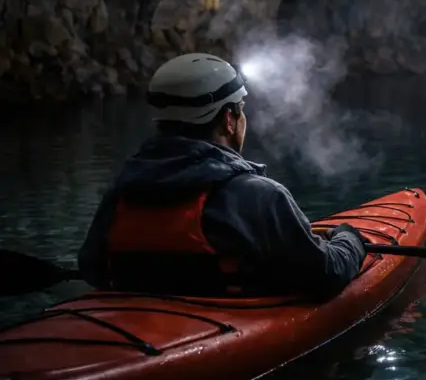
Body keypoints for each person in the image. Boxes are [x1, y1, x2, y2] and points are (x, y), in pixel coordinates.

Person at [77, 53, 367, 297]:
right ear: (229, 120)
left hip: (142, 327)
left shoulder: (122, 192)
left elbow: (92, 268)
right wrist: (349, 238)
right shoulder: (260, 197)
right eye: (240, 110)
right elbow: (327, 275)